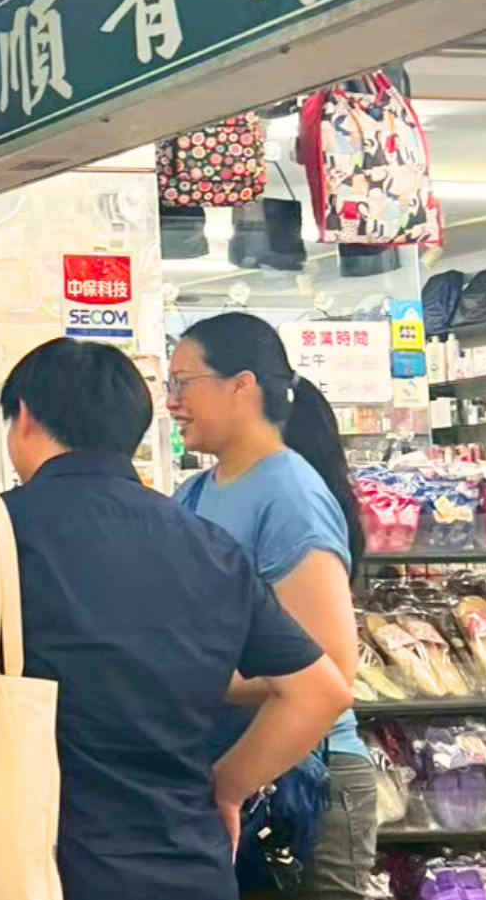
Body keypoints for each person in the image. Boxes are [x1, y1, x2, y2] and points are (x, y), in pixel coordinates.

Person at [0, 339, 353, 900]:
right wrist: (226, 788)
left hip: (45, 867)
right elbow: (321, 691)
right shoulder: (209, 545)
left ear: (23, 418)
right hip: (190, 866)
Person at [169, 313, 374, 900]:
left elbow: (331, 670)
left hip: (301, 782)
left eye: (184, 383)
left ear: (242, 385)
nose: (173, 402)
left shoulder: (289, 493)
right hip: (237, 769)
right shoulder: (194, 493)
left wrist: (198, 681)